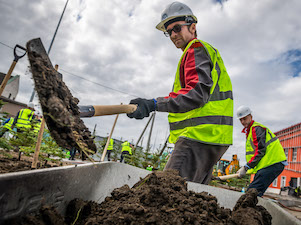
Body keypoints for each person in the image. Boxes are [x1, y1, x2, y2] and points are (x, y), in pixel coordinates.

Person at [127, 2, 233, 184]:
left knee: (166, 192)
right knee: (191, 199)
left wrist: (153, 104)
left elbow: (196, 93)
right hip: (213, 137)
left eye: (177, 28)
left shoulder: (195, 49)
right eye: (169, 32)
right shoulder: (205, 51)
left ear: (193, 26)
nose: (173, 35)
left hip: (198, 135)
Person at [236, 106, 287, 197]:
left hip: (272, 163)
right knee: (253, 192)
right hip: (268, 165)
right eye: (241, 120)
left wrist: (246, 167)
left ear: (251, 116)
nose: (243, 122)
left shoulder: (256, 129)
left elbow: (260, 150)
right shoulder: (251, 131)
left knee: (251, 194)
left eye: (245, 118)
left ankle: (247, 210)